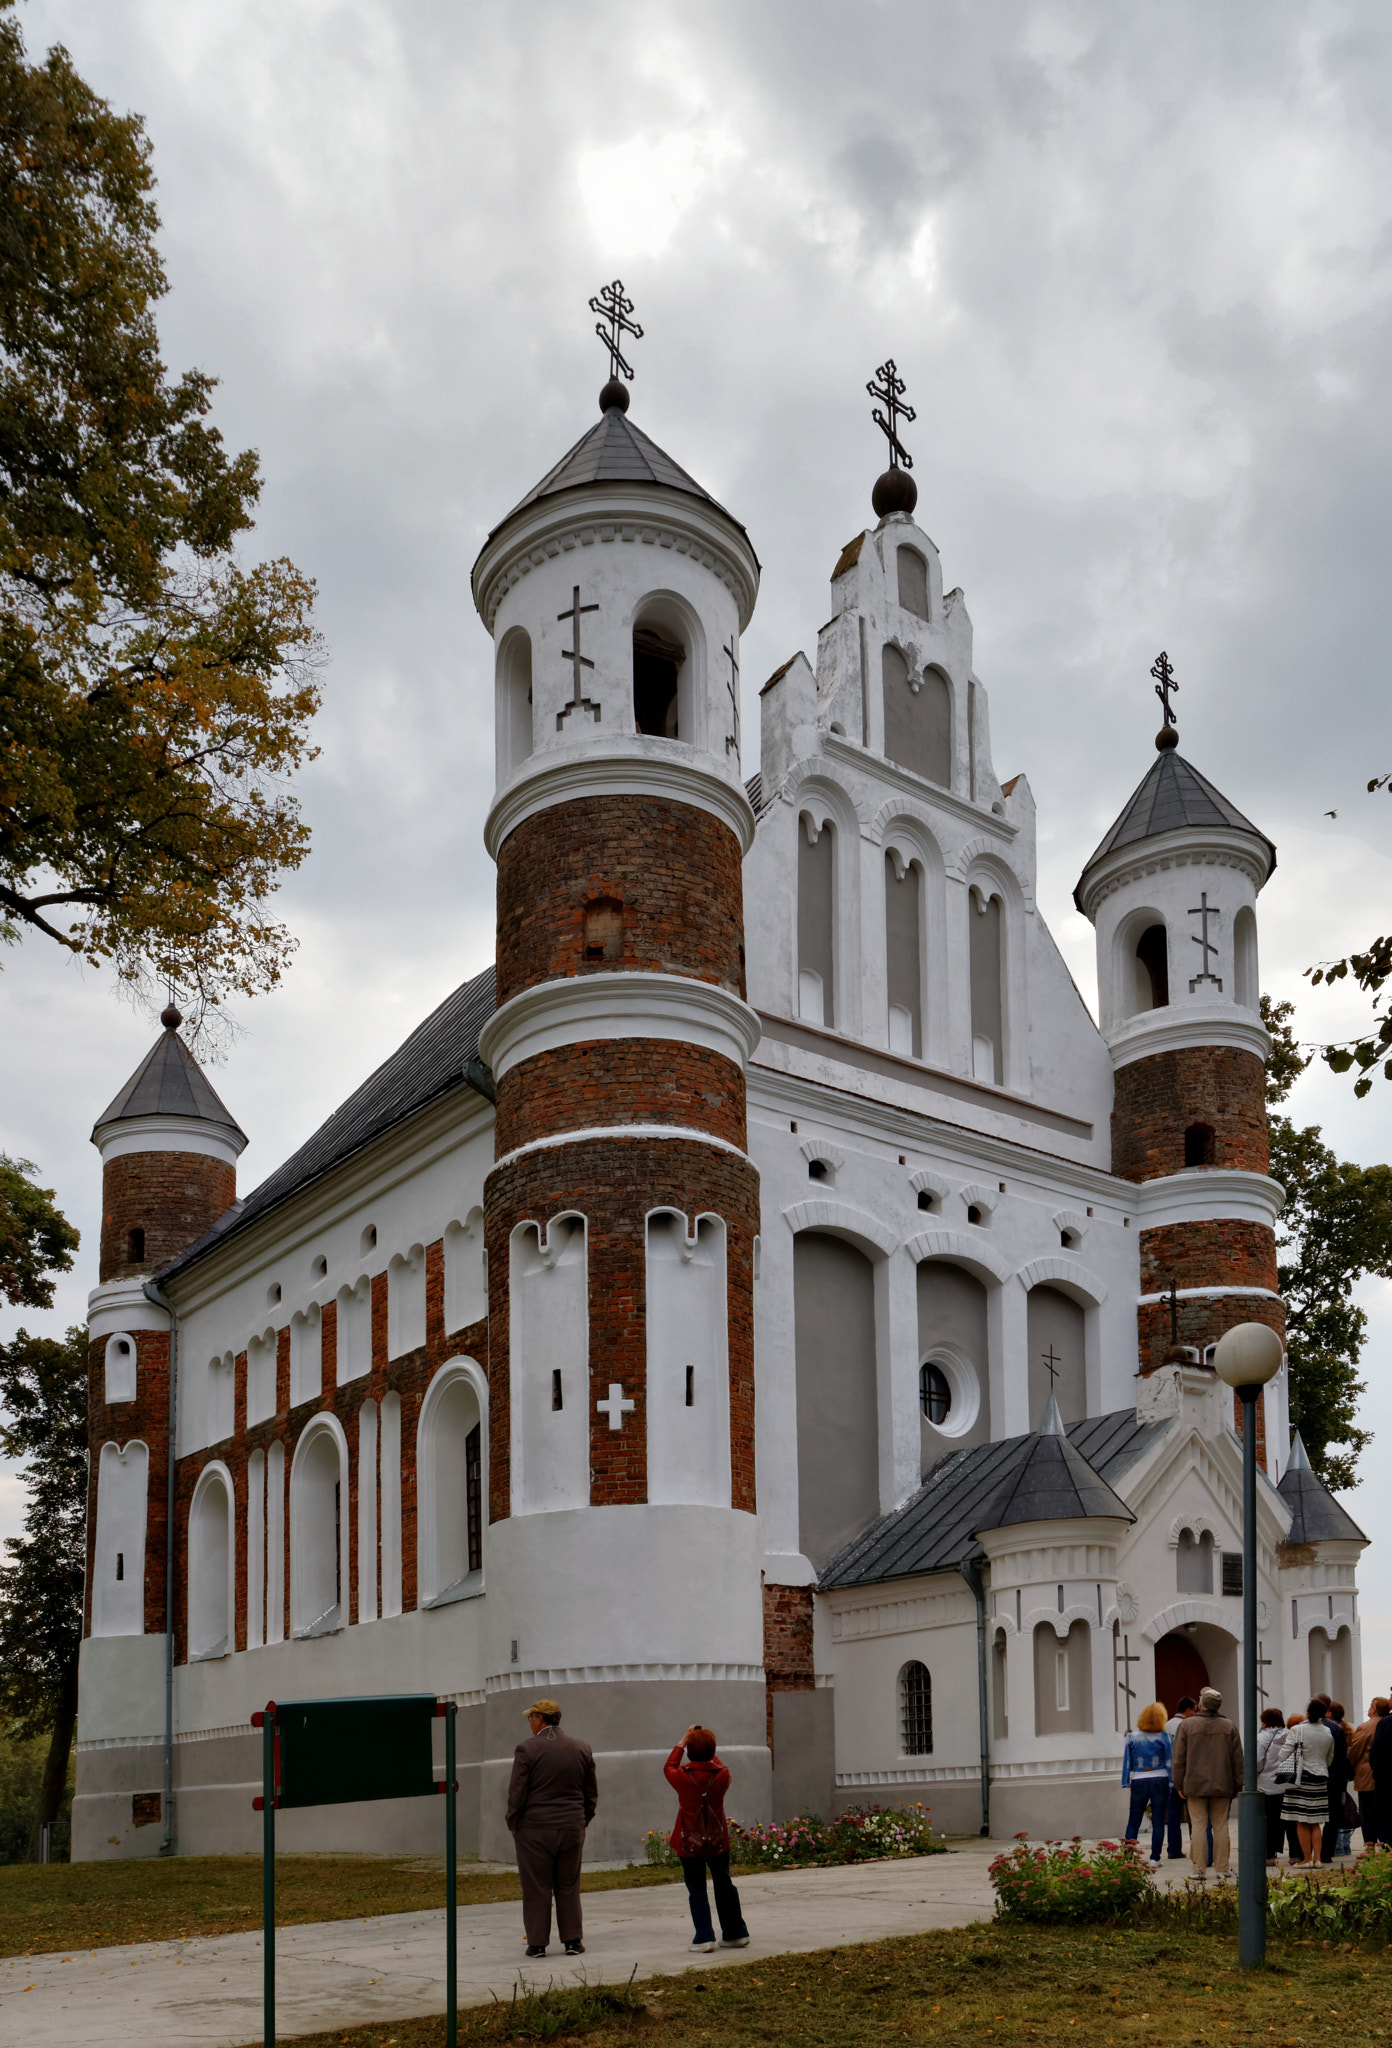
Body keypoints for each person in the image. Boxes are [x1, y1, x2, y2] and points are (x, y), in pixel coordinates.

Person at [506, 1697, 598, 1959]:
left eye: (530, 1718)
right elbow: (590, 1793)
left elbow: (517, 1793)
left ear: (539, 1719)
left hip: (535, 1829)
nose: (530, 1723)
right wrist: (582, 1819)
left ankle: (537, 1944)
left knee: (537, 1886)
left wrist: (514, 1823)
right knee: (568, 1884)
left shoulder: (527, 1749)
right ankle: (572, 1940)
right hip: (571, 1826)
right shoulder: (581, 1748)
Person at [664, 1724, 749, 1954]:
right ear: (713, 1751)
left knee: (696, 1887)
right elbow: (717, 1764)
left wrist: (683, 1742)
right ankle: (735, 1933)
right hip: (717, 1839)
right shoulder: (722, 1775)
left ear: (690, 1752)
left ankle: (704, 1936)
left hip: (689, 1841)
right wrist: (708, 1749)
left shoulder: (680, 1777)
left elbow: (669, 1766)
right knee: (723, 1882)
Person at [1171, 1685, 1242, 1880]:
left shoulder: (1187, 1725)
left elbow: (1178, 1758)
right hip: (1223, 1784)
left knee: (1199, 1827)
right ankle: (1222, 1868)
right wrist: (1237, 1785)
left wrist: (1178, 1784)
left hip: (1194, 1784)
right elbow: (1238, 1759)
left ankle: (1199, 1870)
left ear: (1202, 1704)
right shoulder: (1229, 1726)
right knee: (1220, 1826)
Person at [1281, 1697, 1335, 1869]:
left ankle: (1306, 1858)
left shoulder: (1297, 1730)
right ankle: (1317, 1858)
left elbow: (1283, 1754)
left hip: (1301, 1777)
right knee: (1316, 1820)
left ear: (1308, 1712)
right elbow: (1329, 1758)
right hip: (1320, 1776)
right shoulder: (1327, 1732)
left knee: (1301, 1819)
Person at [1121, 1703, 1173, 1863]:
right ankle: (1155, 1859)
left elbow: (1127, 1761)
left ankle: (1128, 1858)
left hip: (1139, 1779)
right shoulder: (1165, 1737)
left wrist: (1125, 1780)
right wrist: (1172, 1781)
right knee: (1158, 1820)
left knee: (1133, 1820)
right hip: (1160, 1778)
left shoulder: (1132, 1737)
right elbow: (1170, 1761)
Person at [1348, 1698, 1390, 1848]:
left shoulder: (1366, 1727)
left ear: (1373, 1710)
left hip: (1367, 1775)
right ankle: (1385, 1843)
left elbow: (1355, 1750)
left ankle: (1370, 1844)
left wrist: (1349, 1767)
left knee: (1367, 1812)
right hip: (1385, 1774)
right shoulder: (1387, 1722)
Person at [1162, 1696, 1198, 1861]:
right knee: (1194, 1815)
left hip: (1170, 1777)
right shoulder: (1189, 1725)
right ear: (1189, 1710)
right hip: (1188, 1776)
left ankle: (1173, 1849)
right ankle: (1197, 1848)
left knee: (1174, 1816)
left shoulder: (1166, 1726)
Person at [1256, 1706, 1291, 1863]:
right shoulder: (1289, 1734)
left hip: (1265, 1784)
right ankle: (1295, 1854)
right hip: (1286, 1783)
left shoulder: (1261, 1738)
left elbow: (1256, 1760)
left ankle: (1269, 1854)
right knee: (1286, 1820)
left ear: (1265, 1722)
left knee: (1268, 1821)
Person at [1318, 1696, 1351, 1863]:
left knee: (1310, 1816)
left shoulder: (1302, 1728)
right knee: (1333, 1816)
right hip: (1335, 1777)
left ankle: (1310, 1853)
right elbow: (1342, 1756)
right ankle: (1326, 1853)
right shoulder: (1336, 1729)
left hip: (1314, 1776)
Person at [1372, 1693, 1392, 1846]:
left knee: (1385, 1814)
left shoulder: (1387, 1722)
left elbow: (1376, 1750)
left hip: (1386, 1777)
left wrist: (1377, 1771)